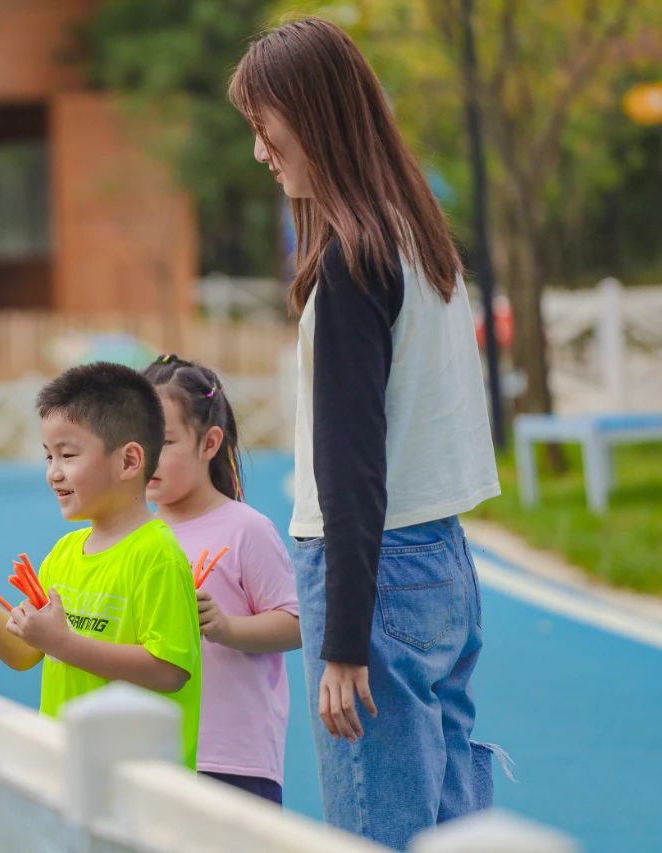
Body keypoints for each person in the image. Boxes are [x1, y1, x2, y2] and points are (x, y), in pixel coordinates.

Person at [229, 17, 503, 849]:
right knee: (451, 822)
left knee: (377, 831)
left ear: (311, 117)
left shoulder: (353, 260)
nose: (259, 152)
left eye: (263, 128)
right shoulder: (417, 238)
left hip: (372, 575)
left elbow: (351, 470)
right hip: (443, 560)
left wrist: (343, 640)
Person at [0, 361, 203, 767]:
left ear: (129, 461)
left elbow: (169, 670)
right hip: (70, 774)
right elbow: (23, 652)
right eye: (48, 456)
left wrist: (65, 643)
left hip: (141, 791)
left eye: (68, 455)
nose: (53, 473)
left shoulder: (157, 555)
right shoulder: (65, 552)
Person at [143, 354, 300, 805]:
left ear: (210, 442)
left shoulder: (245, 529)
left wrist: (226, 627)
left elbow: (296, 622)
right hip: (153, 750)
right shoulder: (135, 537)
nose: (146, 455)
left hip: (231, 759)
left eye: (165, 441)